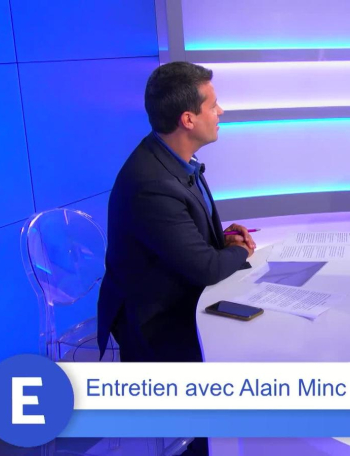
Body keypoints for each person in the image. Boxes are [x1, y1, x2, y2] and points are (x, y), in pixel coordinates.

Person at [97, 62, 256, 363]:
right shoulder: (151, 185)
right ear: (188, 119)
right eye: (213, 106)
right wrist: (242, 249)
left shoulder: (174, 158)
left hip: (179, 296)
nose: (220, 112)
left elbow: (174, 238)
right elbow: (206, 268)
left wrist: (219, 240)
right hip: (156, 325)